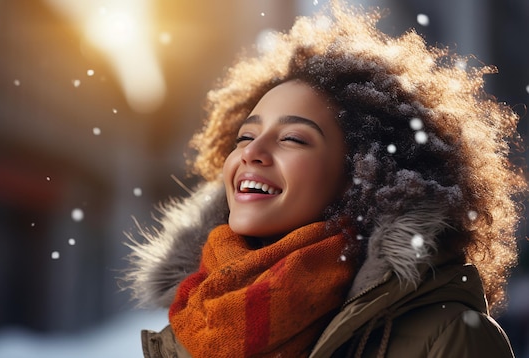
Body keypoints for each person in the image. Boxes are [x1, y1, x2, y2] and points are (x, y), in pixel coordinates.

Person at [124, 1, 527, 357]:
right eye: (245, 136)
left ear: (362, 175)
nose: (251, 152)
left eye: (293, 138)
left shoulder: (446, 337)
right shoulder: (196, 322)